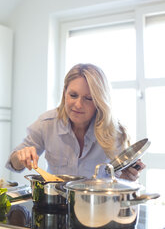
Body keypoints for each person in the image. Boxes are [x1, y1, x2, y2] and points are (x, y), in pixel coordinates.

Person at [6, 63, 145, 180]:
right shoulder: (46, 124)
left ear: (99, 102)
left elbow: (121, 184)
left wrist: (128, 178)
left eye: (88, 98)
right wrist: (20, 157)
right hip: (57, 205)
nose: (78, 105)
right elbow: (13, 164)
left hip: (98, 207)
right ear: (64, 93)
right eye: (73, 95)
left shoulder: (114, 131)